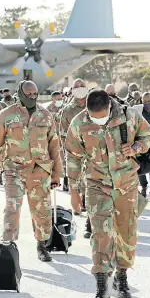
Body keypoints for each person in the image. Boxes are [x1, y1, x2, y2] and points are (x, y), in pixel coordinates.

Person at [65, 90, 150, 298]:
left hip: (126, 183)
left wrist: (135, 148)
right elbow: (73, 157)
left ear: (109, 106)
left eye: (101, 116)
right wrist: (75, 192)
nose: (97, 119)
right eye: (93, 116)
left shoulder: (129, 115)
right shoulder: (79, 122)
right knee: (101, 234)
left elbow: (148, 135)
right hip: (97, 184)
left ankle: (122, 274)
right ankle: (101, 287)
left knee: (126, 232)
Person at [0, 80, 62, 262]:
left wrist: (57, 174)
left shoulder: (45, 115)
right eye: (28, 94)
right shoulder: (6, 114)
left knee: (41, 210)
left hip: (40, 170)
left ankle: (42, 245)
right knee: (12, 208)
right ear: (20, 93)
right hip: (14, 169)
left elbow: (54, 145)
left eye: (35, 94)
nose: (32, 97)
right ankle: (9, 245)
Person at [58, 78, 90, 235]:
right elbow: (63, 135)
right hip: (74, 153)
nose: (80, 89)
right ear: (71, 90)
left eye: (82, 86)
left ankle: (90, 222)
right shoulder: (67, 110)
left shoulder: (95, 104)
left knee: (92, 185)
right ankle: (77, 201)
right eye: (76, 87)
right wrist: (65, 157)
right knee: (75, 184)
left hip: (94, 153)